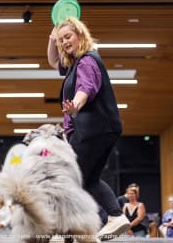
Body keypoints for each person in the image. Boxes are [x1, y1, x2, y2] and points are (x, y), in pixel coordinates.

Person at [47, 16, 129, 241]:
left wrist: (76, 106)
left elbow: (87, 88)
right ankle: (114, 217)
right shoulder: (74, 63)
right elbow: (54, 62)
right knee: (87, 180)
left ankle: (70, 230)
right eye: (61, 39)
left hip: (92, 131)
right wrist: (52, 39)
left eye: (68, 37)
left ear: (80, 35)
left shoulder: (87, 61)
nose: (64, 42)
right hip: (97, 131)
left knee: (70, 180)